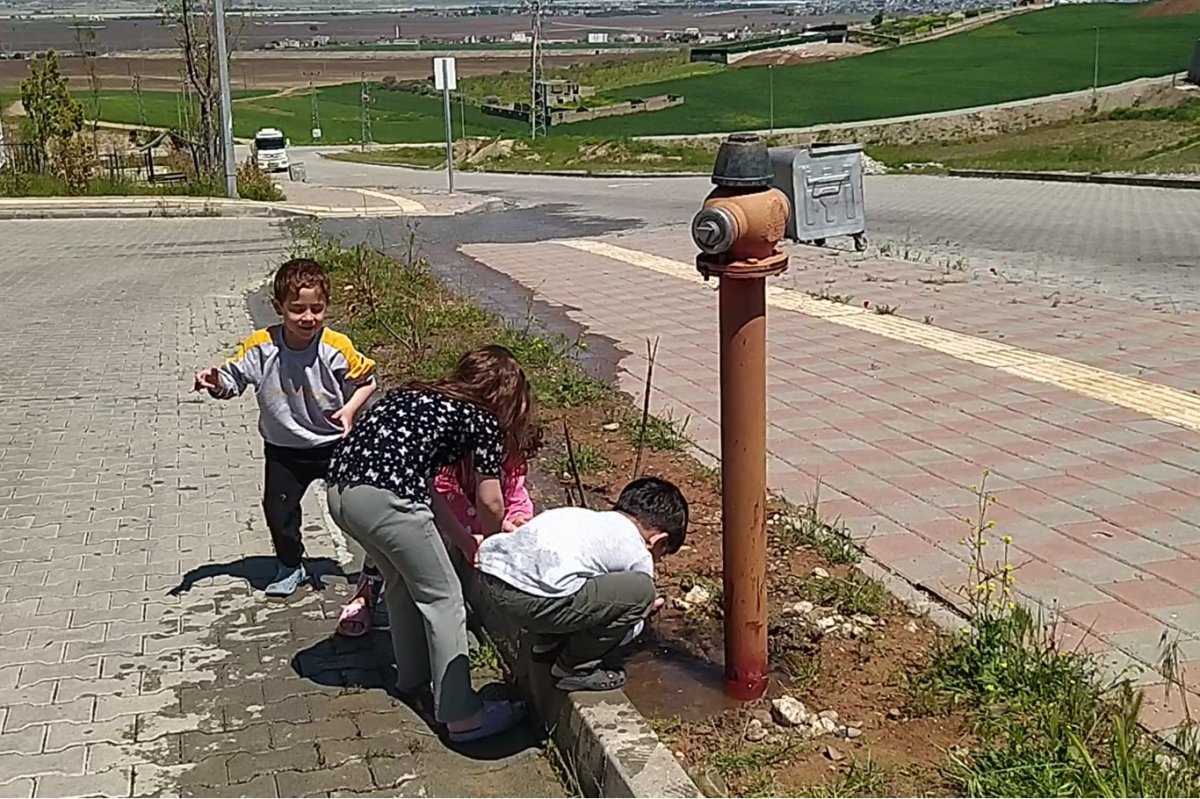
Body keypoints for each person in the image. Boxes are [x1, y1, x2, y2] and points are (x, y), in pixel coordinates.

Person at [325, 345, 533, 742]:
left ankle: (414, 679)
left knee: (403, 585)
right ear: (504, 399)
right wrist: (493, 549)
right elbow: (490, 501)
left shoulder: (414, 395)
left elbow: (426, 487)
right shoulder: (481, 419)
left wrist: (464, 541)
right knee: (444, 597)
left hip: (340, 493)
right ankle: (462, 717)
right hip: (387, 499)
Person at [193, 258, 376, 597]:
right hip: (284, 450)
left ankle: (377, 565)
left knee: (356, 508)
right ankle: (291, 565)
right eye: (297, 309)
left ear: (326, 307)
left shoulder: (336, 346)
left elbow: (367, 382)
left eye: (316, 309)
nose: (308, 318)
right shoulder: (260, 346)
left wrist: (350, 411)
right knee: (278, 511)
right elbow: (233, 381)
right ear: (278, 307)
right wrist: (216, 381)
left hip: (333, 444)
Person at [473, 476, 688, 692]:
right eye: (662, 555)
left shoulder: (579, 517)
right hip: (528, 602)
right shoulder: (638, 551)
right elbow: (625, 629)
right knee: (641, 591)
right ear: (659, 540)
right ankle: (574, 667)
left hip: (492, 577)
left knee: (573, 579)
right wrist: (643, 613)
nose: (657, 561)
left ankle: (547, 644)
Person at [335, 455, 534, 638]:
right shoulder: (448, 459)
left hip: (476, 526)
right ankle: (367, 590)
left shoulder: (509, 454)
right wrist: (476, 533)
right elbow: (446, 505)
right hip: (432, 516)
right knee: (387, 545)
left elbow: (516, 495)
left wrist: (517, 519)